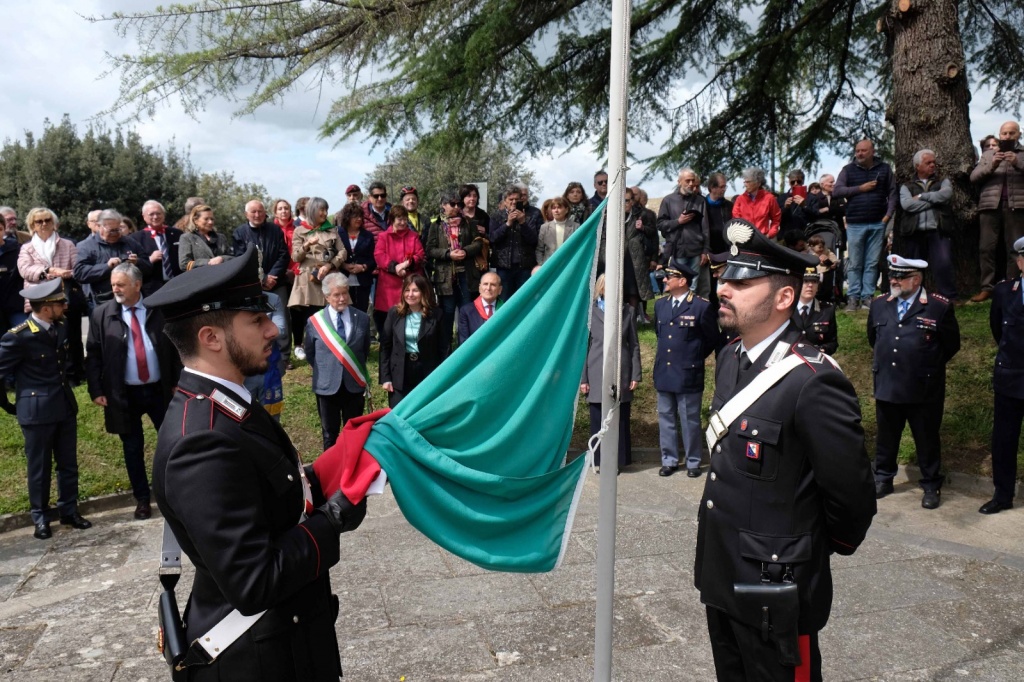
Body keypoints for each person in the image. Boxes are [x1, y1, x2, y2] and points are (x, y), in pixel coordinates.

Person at [146, 245, 366, 680]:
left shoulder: (227, 402)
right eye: (257, 321)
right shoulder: (201, 441)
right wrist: (333, 517)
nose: (274, 330)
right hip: (259, 660)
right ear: (211, 338)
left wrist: (330, 475)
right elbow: (254, 581)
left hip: (289, 637)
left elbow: (265, 487)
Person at [695, 218, 876, 680]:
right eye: (725, 278)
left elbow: (850, 494)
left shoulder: (814, 381)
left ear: (784, 297)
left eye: (743, 281)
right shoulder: (731, 357)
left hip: (777, 585)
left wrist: (807, 552)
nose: (724, 289)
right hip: (721, 569)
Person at [86, 263, 180, 520]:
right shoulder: (102, 314)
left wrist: (177, 380)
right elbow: (93, 355)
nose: (114, 289)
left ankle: (175, 493)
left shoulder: (157, 309)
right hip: (123, 394)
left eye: (120, 284)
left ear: (137, 285)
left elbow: (174, 346)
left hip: (159, 390)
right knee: (132, 448)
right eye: (113, 284)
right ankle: (142, 498)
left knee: (172, 442)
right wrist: (96, 389)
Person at [0, 279, 91, 540]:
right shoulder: (18, 336)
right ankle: (40, 517)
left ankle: (69, 511)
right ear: (46, 307)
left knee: (68, 464)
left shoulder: (60, 328)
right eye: (60, 303)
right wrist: (7, 404)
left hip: (63, 405)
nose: (65, 306)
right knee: (39, 468)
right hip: (36, 411)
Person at [868, 255, 960, 509]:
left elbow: (951, 345)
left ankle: (931, 484)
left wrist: (924, 366)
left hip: (923, 389)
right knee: (886, 437)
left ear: (916, 279)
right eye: (892, 276)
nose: (894, 281)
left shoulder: (937, 306)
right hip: (888, 383)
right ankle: (883, 478)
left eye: (900, 277)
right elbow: (873, 338)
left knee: (927, 438)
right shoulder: (879, 305)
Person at [652, 260, 717, 478]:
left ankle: (693, 461)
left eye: (669, 277)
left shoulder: (701, 306)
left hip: (688, 372)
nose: (665, 280)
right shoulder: (661, 305)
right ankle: (669, 460)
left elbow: (711, 339)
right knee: (666, 418)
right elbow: (660, 335)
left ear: (683, 281)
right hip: (665, 372)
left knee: (689, 419)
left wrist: (694, 357)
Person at [580, 273, 641, 473]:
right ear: (601, 288)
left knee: (620, 417)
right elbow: (583, 347)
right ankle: (598, 460)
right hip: (597, 369)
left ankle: (617, 460)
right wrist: (584, 378)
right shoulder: (591, 312)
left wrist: (635, 374)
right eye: (608, 285)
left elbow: (633, 345)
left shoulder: (627, 311)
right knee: (598, 418)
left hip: (620, 371)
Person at [304, 273, 371, 450]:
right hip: (327, 386)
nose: (342, 299)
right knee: (329, 434)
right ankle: (330, 474)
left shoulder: (362, 319)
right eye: (336, 295)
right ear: (326, 297)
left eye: (345, 293)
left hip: (353, 384)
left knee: (354, 433)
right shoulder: (314, 322)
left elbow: (364, 351)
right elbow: (311, 353)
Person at [983, 235, 1024, 514]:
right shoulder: (1003, 292)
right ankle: (1002, 495)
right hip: (1010, 376)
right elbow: (998, 330)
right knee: (1004, 440)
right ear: (1020, 261)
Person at [834, 139, 898, 312]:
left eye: (863, 150)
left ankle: (867, 297)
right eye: (857, 150)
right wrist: (860, 189)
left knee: (871, 262)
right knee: (855, 262)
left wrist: (888, 215)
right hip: (855, 223)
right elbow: (837, 191)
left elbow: (893, 193)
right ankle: (853, 298)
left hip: (878, 222)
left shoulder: (884, 169)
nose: (859, 153)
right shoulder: (848, 170)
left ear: (872, 151)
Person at [969, 120, 1024, 302]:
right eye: (1004, 134)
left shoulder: (1022, 154)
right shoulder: (989, 155)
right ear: (999, 135)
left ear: (1018, 135)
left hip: (1016, 207)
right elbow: (974, 177)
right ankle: (987, 288)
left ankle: (1012, 285)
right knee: (986, 248)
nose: (1007, 137)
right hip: (990, 206)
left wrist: (1017, 163)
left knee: (1014, 248)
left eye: (1011, 133)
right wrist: (992, 164)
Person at [288, 197, 347, 359]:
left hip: (327, 276)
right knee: (305, 315)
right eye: (321, 209)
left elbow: (342, 252)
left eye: (326, 210)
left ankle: (327, 345)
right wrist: (307, 245)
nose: (325, 213)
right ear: (312, 210)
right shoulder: (300, 231)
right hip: (307, 279)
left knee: (326, 313)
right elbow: (295, 257)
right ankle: (302, 346)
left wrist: (330, 265)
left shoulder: (332, 230)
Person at [379, 273, 448, 407]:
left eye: (415, 290)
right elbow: (385, 347)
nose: (410, 294)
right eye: (407, 290)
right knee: (399, 415)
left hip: (427, 372)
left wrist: (442, 378)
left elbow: (444, 348)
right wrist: (386, 378)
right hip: (400, 372)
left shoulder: (436, 314)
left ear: (424, 293)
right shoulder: (394, 313)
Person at [898, 149, 956, 299]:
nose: (932, 165)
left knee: (943, 263)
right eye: (928, 163)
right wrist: (934, 202)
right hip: (914, 231)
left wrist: (923, 196)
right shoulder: (907, 186)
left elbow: (946, 195)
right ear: (917, 166)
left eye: (933, 162)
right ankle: (914, 296)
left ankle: (948, 297)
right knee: (914, 267)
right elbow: (907, 206)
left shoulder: (942, 181)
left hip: (938, 230)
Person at [426, 190, 482, 346]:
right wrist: (448, 254)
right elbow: (429, 249)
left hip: (466, 275)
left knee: (465, 312)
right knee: (447, 314)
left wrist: (465, 251)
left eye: (459, 204)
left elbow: (478, 243)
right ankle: (446, 352)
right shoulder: (436, 225)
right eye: (452, 204)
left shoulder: (469, 222)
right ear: (443, 205)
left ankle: (465, 348)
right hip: (445, 278)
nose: (457, 207)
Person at [74, 209, 151, 310]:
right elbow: (79, 273)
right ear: (99, 227)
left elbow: (149, 267)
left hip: (132, 301)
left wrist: (137, 262)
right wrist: (107, 267)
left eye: (117, 230)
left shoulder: (130, 242)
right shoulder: (86, 246)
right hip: (103, 302)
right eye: (111, 230)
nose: (115, 234)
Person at [374, 205, 426, 336]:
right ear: (392, 220)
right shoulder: (383, 236)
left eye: (404, 219)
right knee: (389, 321)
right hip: (389, 285)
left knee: (411, 317)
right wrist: (395, 267)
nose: (403, 222)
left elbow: (420, 254)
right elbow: (379, 255)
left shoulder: (413, 236)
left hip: (410, 281)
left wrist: (405, 265)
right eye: (399, 219)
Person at [657, 169, 710, 294]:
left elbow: (705, 227)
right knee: (678, 285)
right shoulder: (668, 201)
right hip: (677, 250)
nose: (691, 184)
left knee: (694, 286)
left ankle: (692, 311)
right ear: (679, 182)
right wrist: (678, 221)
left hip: (696, 249)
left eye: (692, 180)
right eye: (687, 181)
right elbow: (660, 224)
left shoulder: (700, 201)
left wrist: (705, 250)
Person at [490, 184, 541, 300]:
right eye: (510, 199)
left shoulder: (531, 216)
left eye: (516, 199)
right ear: (505, 201)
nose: (513, 202)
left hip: (524, 266)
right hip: (504, 267)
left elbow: (534, 240)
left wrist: (523, 223)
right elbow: (493, 238)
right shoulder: (496, 216)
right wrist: (507, 224)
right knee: (504, 300)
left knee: (524, 299)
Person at [128, 200, 184, 296]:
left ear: (164, 215)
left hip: (178, 284)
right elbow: (132, 267)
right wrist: (150, 260)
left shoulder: (177, 233)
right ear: (144, 217)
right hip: (152, 288)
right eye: (151, 214)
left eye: (158, 213)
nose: (155, 217)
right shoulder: (135, 238)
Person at [336, 202, 376, 314]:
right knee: (344, 312)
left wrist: (363, 267)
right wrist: (343, 265)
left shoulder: (368, 235)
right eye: (355, 216)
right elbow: (333, 255)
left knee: (361, 313)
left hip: (363, 281)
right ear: (347, 217)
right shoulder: (338, 233)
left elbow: (373, 260)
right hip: (342, 280)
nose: (359, 219)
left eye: (360, 216)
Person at [791, 268, 838, 354]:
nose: (810, 285)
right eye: (805, 281)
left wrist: (822, 350)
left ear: (818, 286)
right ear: (797, 284)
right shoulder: (787, 309)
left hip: (816, 360)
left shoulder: (827, 310)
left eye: (814, 281)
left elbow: (832, 343)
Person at [178, 204, 234, 271]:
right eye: (206, 219)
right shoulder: (187, 238)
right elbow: (184, 264)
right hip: (202, 278)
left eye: (212, 219)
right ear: (195, 220)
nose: (210, 222)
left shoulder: (221, 237)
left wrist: (222, 258)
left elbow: (232, 257)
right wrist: (209, 262)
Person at [732, 167, 782, 240]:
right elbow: (736, 220)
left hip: (763, 240)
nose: (745, 184)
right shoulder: (740, 199)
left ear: (758, 183)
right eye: (744, 182)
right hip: (744, 241)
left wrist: (769, 235)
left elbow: (776, 219)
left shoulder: (769, 198)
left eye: (748, 182)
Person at [457, 271, 502, 345]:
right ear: (479, 288)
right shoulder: (466, 311)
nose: (488, 288)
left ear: (500, 290)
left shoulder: (506, 309)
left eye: (493, 285)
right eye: (485, 284)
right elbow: (463, 343)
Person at [536, 196, 580, 266]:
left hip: (568, 265)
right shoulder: (544, 227)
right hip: (548, 266)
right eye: (553, 208)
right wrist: (542, 264)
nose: (556, 210)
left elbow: (578, 248)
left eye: (559, 207)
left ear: (566, 210)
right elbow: (539, 249)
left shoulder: (576, 227)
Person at [777, 169, 819, 234]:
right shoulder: (782, 197)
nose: (796, 184)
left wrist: (804, 206)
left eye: (798, 181)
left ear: (803, 181)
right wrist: (785, 207)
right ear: (789, 182)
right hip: (786, 234)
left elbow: (816, 216)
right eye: (793, 182)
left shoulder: (812, 198)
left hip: (805, 233)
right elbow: (776, 217)